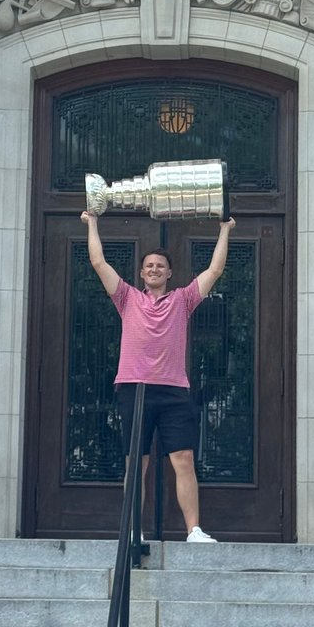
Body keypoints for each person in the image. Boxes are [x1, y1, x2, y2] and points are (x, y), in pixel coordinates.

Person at [80, 210, 237, 543]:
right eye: (149, 266)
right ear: (141, 272)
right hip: (133, 389)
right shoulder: (126, 298)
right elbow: (98, 262)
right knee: (136, 462)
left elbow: (215, 270)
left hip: (174, 391)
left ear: (169, 273)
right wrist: (92, 223)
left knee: (183, 459)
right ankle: (133, 531)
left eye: (160, 266)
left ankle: (194, 530)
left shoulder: (183, 300)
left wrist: (225, 230)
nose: (154, 270)